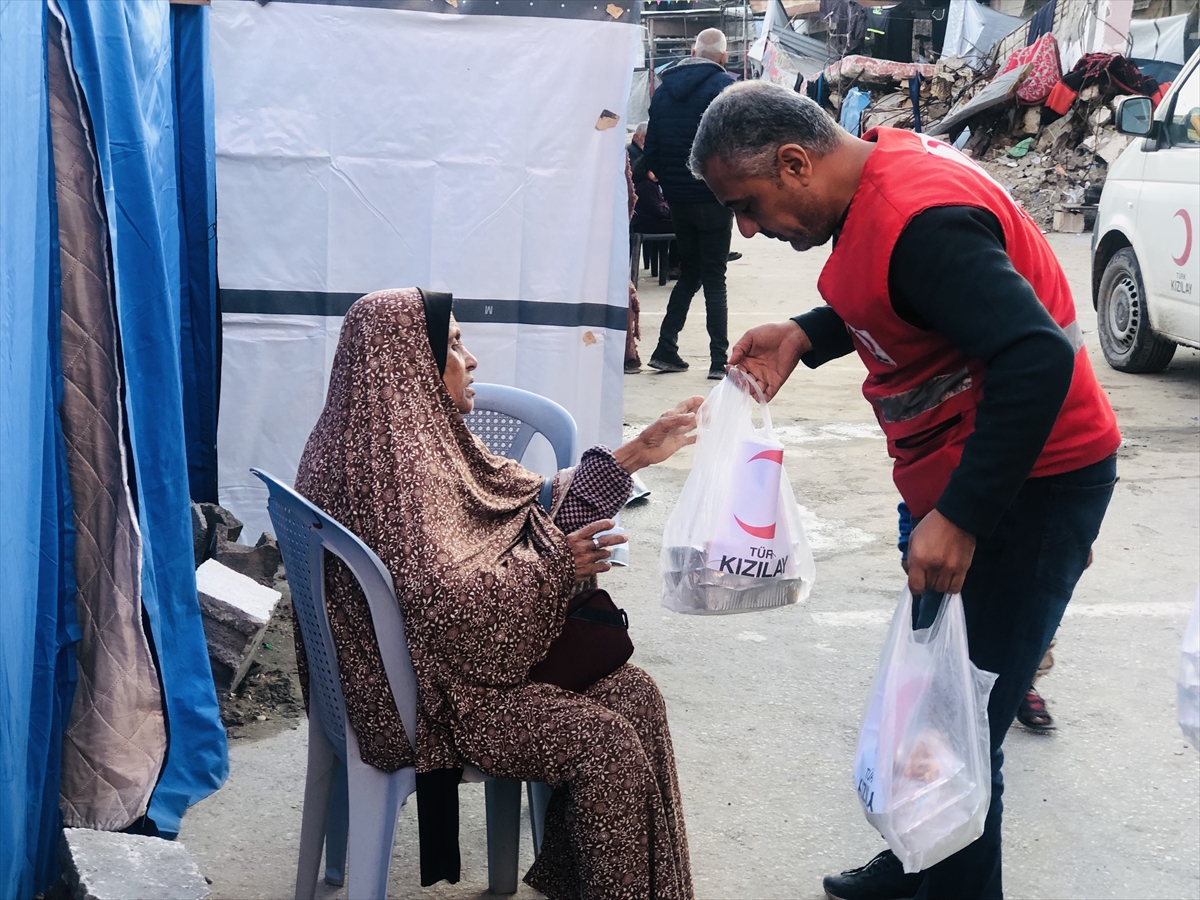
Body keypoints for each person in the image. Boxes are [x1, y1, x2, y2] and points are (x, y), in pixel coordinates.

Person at [689, 82, 1121, 900]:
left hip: (1023, 489)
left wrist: (960, 517)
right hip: (962, 480)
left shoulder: (921, 224)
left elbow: (1035, 357)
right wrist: (807, 333)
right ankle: (912, 863)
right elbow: (900, 296)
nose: (745, 228)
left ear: (794, 161)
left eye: (746, 205)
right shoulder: (874, 179)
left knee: (959, 731)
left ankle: (947, 882)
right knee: (930, 702)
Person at [294, 288, 703, 899]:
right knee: (606, 743)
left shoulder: (393, 434)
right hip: (426, 698)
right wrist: (557, 570)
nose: (472, 359)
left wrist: (633, 456)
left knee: (637, 696)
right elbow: (452, 613)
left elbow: (519, 506)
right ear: (410, 359)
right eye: (454, 344)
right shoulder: (394, 468)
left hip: (426, 666)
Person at [643, 28, 737, 380]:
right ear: (723, 57)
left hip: (678, 199)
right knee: (714, 276)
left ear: (693, 50)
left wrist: (665, 183)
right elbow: (735, 145)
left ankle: (666, 347)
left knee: (691, 271)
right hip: (713, 197)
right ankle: (718, 360)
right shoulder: (724, 88)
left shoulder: (664, 91)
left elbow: (651, 148)